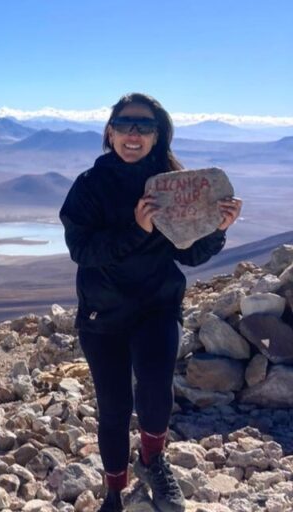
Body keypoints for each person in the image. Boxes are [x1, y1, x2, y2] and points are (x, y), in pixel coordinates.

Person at [59, 92, 242, 512]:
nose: (133, 134)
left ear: (158, 135)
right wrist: (139, 229)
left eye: (144, 126)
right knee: (115, 406)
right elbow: (82, 250)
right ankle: (112, 492)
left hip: (156, 305)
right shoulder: (90, 186)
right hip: (102, 314)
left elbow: (190, 254)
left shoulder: (174, 184)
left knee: (157, 387)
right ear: (110, 132)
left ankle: (152, 461)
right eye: (124, 124)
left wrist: (216, 228)